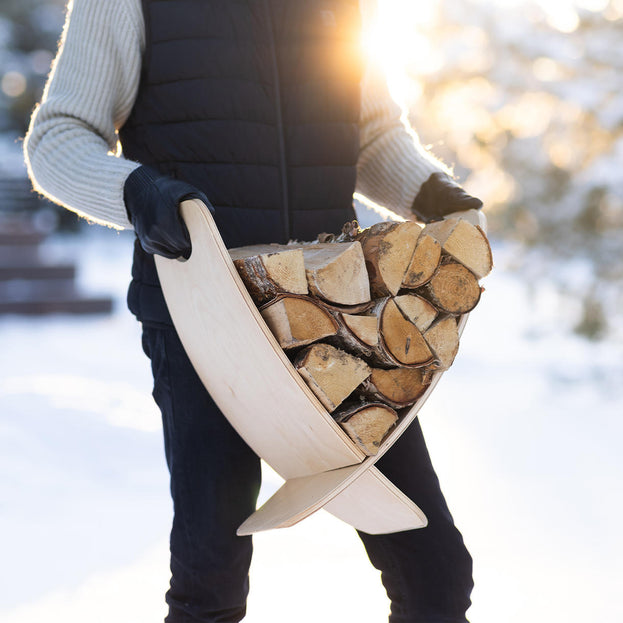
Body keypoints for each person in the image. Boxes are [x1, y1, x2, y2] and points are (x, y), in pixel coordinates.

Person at [24, 1, 481, 621]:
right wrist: (139, 193)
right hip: (205, 319)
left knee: (437, 577)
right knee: (209, 588)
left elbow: (370, 134)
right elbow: (57, 139)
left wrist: (429, 191)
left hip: (338, 321)